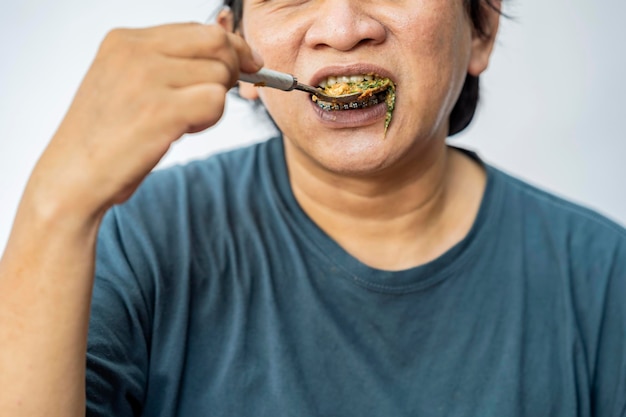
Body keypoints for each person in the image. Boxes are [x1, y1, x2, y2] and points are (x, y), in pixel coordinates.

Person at [0, 0, 624, 415]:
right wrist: (55, 209)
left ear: (481, 29)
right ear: (235, 50)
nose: (342, 26)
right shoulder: (134, 241)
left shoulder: (603, 278)